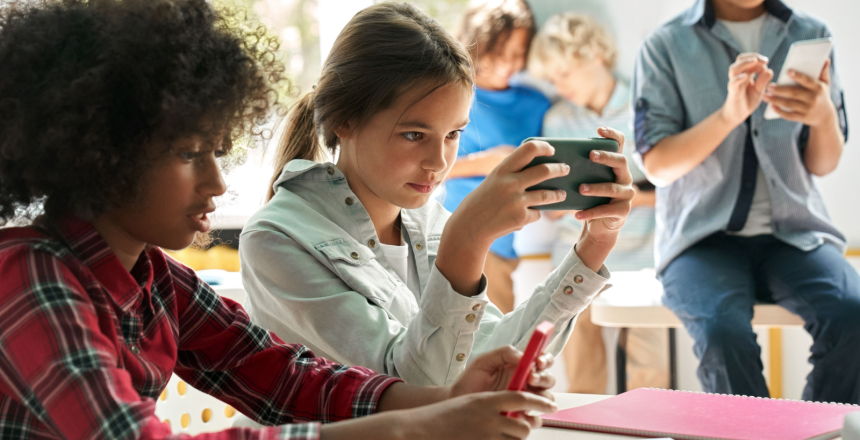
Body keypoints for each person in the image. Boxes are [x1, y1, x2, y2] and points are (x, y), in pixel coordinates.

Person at [0, 1, 565, 438]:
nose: (217, 184)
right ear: (103, 154)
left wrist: (450, 401)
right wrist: (420, 423)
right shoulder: (28, 275)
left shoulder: (157, 280)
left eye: (217, 150)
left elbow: (286, 377)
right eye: (189, 153)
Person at [239, 2, 635, 387]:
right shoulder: (276, 240)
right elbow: (417, 392)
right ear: (345, 119)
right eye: (414, 134)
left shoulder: (427, 221)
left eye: (453, 134)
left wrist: (594, 244)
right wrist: (467, 239)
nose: (438, 162)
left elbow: (492, 358)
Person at [633, 0, 860, 403]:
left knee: (853, 314)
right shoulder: (665, 44)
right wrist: (729, 115)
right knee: (723, 333)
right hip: (700, 241)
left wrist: (824, 115)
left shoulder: (809, 32)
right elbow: (658, 165)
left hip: (795, 234)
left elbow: (822, 164)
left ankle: (812, 432)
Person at [528, 12, 668, 394]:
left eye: (565, 73)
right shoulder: (558, 119)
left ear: (595, 57)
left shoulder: (647, 109)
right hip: (574, 256)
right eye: (552, 78)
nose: (559, 85)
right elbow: (554, 203)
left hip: (642, 260)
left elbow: (673, 188)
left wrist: (624, 197)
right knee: (580, 365)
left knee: (650, 369)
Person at [441, 0, 550, 313]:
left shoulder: (536, 104)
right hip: (449, 231)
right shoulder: (450, 93)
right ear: (478, 42)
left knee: (495, 341)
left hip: (502, 242)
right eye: (500, 51)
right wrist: (489, 163)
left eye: (519, 52)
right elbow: (423, 167)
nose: (509, 62)